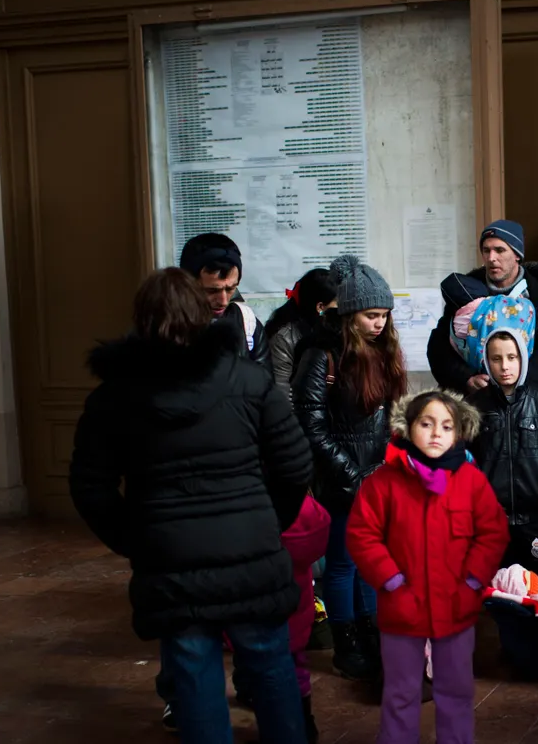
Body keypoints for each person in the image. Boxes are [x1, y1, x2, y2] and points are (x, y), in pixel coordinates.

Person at [69, 268, 312, 744]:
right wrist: (266, 523)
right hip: (250, 550)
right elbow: (295, 465)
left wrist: (136, 538)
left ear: (142, 319)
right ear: (201, 314)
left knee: (194, 673)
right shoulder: (248, 380)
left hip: (170, 558)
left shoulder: (113, 397)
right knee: (269, 665)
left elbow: (89, 487)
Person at [347, 390, 510, 744]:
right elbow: (362, 534)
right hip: (401, 609)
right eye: (427, 423)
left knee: (456, 692)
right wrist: (392, 583)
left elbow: (492, 532)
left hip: (456, 608)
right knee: (401, 693)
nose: (437, 433)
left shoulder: (471, 481)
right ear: (407, 427)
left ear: (459, 433)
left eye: (447, 426)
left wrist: (471, 584)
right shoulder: (383, 483)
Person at [292, 255, 407, 682]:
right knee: (342, 564)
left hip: (374, 475)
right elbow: (311, 425)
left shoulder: (382, 351)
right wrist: (351, 476)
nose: (379, 323)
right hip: (341, 478)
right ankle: (346, 645)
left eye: (384, 315)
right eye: (371, 315)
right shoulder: (321, 357)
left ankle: (371, 635)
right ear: (348, 314)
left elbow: (386, 419)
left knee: (369, 562)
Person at [469, 326, 538, 572]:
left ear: (523, 358)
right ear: (487, 362)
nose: (504, 366)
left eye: (512, 357)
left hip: (537, 517)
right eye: (496, 359)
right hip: (490, 518)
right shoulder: (474, 405)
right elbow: (461, 453)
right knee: (497, 588)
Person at [427, 219, 538, 393]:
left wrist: (517, 383)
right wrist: (467, 378)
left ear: (517, 254)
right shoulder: (466, 292)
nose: (491, 258)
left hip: (530, 399)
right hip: (479, 400)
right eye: (486, 251)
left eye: (500, 250)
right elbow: (440, 346)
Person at [233, 495, 330, 744]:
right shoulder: (301, 509)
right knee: (296, 666)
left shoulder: (250, 516)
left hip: (258, 608)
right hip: (298, 607)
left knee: (262, 668)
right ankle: (306, 723)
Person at [179, 232, 270, 367]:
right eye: (212, 291)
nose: (223, 301)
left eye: (230, 289)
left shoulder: (247, 322)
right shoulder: (167, 325)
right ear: (188, 283)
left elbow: (265, 382)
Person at [265, 268, 338, 401]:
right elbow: (282, 394)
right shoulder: (283, 338)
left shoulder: (330, 331)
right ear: (320, 307)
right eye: (337, 305)